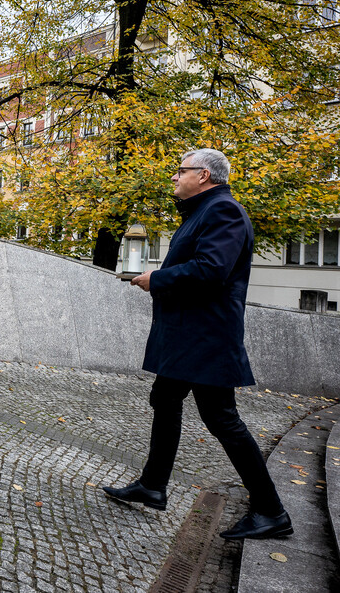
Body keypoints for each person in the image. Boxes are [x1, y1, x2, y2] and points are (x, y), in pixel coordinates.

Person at [102, 148, 291, 540]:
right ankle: (152, 485)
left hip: (206, 337)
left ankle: (271, 511)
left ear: (203, 175)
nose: (174, 177)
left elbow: (211, 269)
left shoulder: (223, 211)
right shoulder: (204, 211)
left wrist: (158, 278)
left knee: (221, 417)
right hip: (191, 334)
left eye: (180, 170)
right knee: (166, 399)